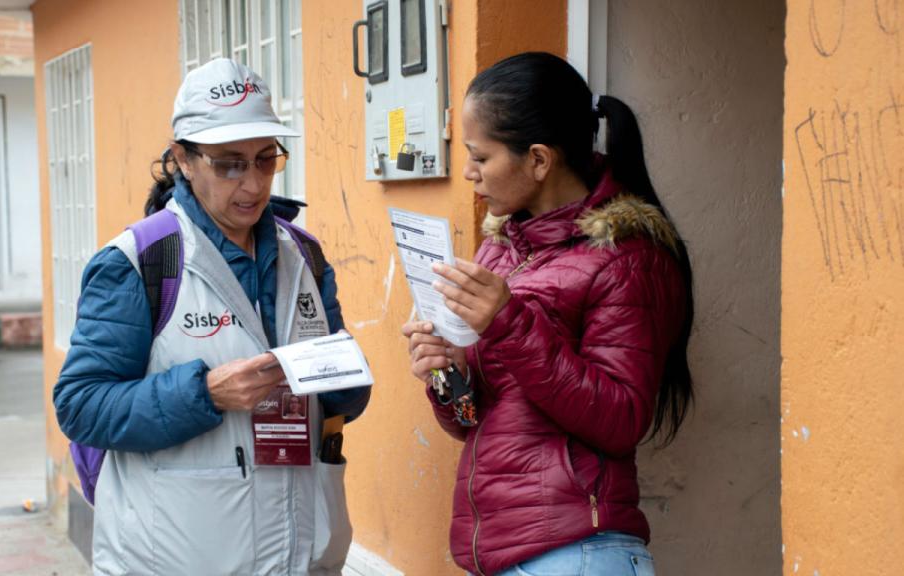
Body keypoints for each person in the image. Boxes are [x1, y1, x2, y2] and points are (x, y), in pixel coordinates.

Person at [53, 58, 370, 576]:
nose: (252, 184)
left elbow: (343, 402)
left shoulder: (305, 255)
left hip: (301, 553)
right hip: (179, 558)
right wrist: (205, 394)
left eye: (266, 160)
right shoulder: (137, 263)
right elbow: (81, 406)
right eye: (229, 163)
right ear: (184, 159)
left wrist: (343, 377)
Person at [401, 52, 694, 576]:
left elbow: (622, 418)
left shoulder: (627, 258)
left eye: (480, 157)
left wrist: (508, 322)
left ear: (538, 160)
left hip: (578, 552)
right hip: (505, 552)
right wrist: (446, 373)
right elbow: (474, 423)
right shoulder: (503, 250)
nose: (467, 173)